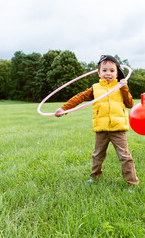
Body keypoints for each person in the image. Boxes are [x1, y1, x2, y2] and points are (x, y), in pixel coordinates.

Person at [55, 55, 139, 186]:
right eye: (104, 70)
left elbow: (130, 104)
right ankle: (95, 177)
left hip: (118, 129)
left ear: (117, 73)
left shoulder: (120, 87)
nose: (108, 73)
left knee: (125, 156)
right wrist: (64, 109)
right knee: (97, 155)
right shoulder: (95, 88)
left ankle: (132, 183)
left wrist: (124, 88)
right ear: (99, 73)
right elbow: (80, 97)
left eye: (112, 70)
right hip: (101, 129)